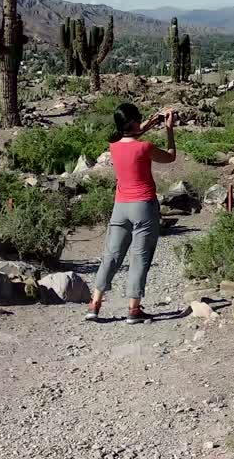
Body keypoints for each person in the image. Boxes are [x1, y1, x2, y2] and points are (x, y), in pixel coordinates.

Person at [86, 102, 177, 324]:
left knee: (111, 255)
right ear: (134, 122)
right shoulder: (145, 147)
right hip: (143, 206)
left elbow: (130, 135)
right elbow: (170, 156)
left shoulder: (114, 146)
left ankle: (94, 305)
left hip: (121, 206)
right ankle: (133, 310)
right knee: (139, 257)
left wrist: (150, 122)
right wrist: (168, 129)